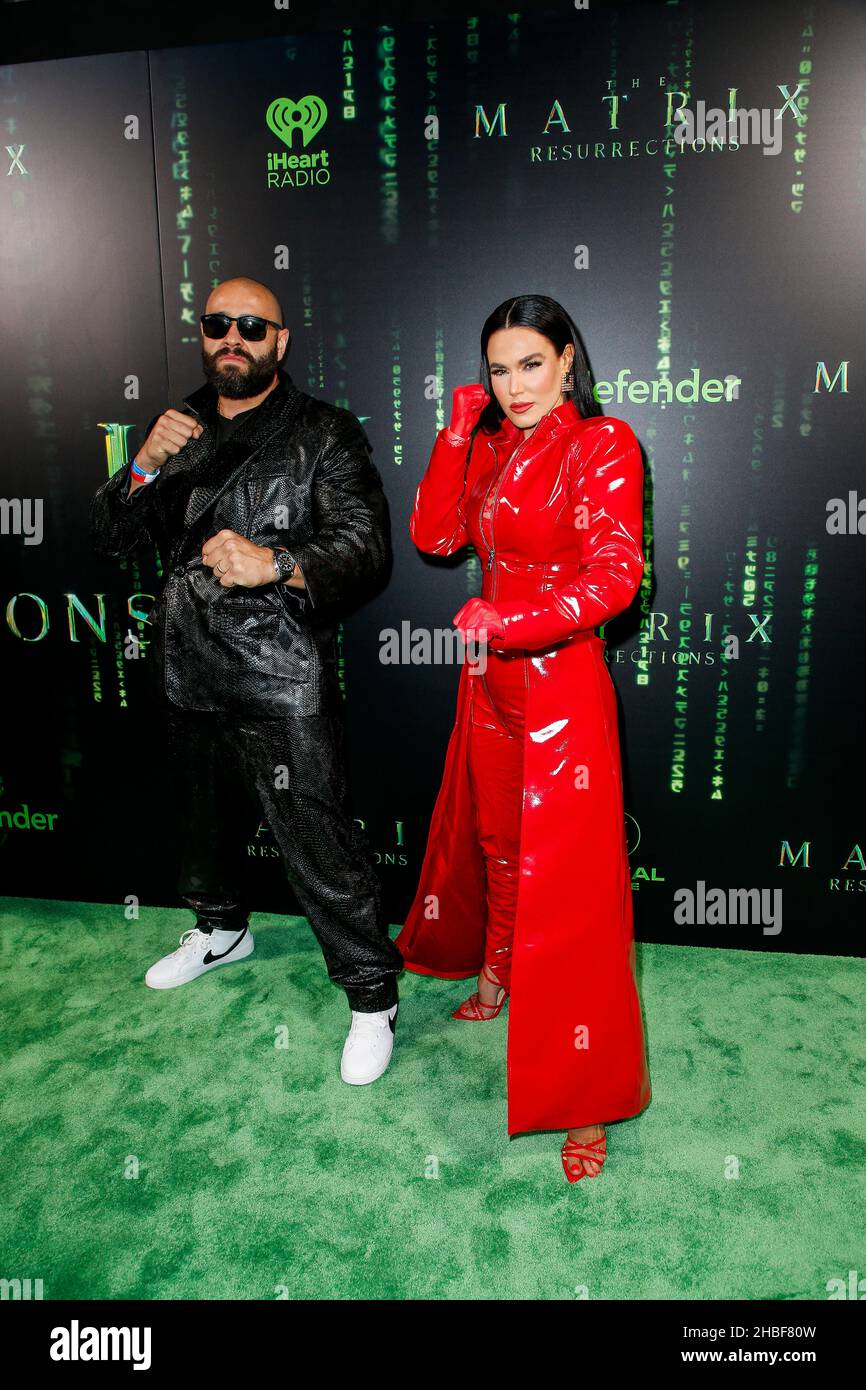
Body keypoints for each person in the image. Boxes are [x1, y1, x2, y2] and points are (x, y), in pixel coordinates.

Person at [90, 276, 403, 1085]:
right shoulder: (177, 425)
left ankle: (372, 997)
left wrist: (281, 561)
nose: (233, 337)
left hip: (278, 665)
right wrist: (143, 467)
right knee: (200, 820)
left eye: (252, 327)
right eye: (218, 323)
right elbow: (112, 539)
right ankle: (221, 927)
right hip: (188, 658)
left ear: (281, 340)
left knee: (317, 836)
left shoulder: (323, 431)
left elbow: (367, 547)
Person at [396, 294, 652, 1180]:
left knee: (573, 894)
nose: (513, 387)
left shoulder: (603, 443)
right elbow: (433, 535)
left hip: (562, 683)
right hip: (491, 683)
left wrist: (517, 619)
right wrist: (456, 431)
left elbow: (618, 577)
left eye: (530, 365)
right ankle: (496, 970)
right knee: (499, 840)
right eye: (497, 371)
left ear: (569, 360)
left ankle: (586, 1096)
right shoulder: (497, 442)